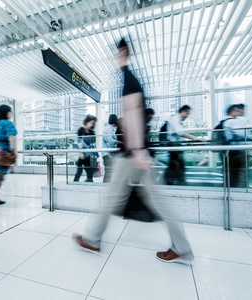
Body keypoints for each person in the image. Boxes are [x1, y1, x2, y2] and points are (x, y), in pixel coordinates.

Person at [73, 38, 194, 265]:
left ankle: (92, 239)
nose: (115, 57)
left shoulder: (129, 79)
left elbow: (134, 114)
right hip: (137, 154)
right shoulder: (130, 79)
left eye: (118, 53)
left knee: (111, 198)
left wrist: (137, 149)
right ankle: (182, 247)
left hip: (132, 154)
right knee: (154, 201)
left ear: (124, 53)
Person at [165, 105, 206, 185]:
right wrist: (195, 138)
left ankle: (174, 182)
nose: (187, 116)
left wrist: (188, 142)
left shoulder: (178, 120)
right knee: (177, 166)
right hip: (174, 147)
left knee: (175, 166)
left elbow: (179, 135)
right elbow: (180, 133)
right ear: (183, 111)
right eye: (187, 113)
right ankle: (177, 182)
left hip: (176, 148)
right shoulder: (175, 119)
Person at [222, 104, 247, 188]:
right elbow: (243, 134)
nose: (239, 112)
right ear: (232, 111)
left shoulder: (224, 121)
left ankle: (230, 188)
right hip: (235, 152)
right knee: (237, 173)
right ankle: (236, 190)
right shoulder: (232, 121)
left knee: (230, 173)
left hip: (228, 152)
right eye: (236, 110)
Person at [74, 115, 98, 182]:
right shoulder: (81, 130)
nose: (91, 124)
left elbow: (93, 143)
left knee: (89, 173)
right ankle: (75, 184)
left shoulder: (92, 132)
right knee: (79, 171)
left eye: (92, 123)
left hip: (88, 155)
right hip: (82, 155)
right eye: (90, 122)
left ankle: (89, 183)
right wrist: (81, 153)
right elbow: (79, 142)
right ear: (86, 122)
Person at [102, 114, 118, 183]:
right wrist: (119, 142)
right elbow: (110, 140)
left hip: (106, 154)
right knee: (108, 173)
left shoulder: (108, 128)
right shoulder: (109, 128)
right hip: (107, 154)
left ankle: (105, 187)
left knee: (108, 172)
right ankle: (105, 188)